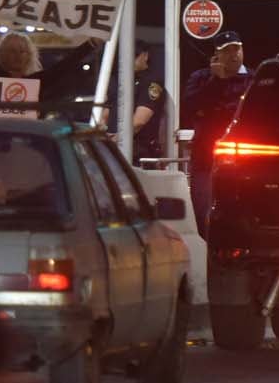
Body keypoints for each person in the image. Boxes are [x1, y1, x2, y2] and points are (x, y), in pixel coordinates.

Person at [183, 30, 252, 238]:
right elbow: (192, 106)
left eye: (237, 49)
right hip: (206, 156)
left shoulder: (253, 79)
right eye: (227, 51)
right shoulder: (202, 78)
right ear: (217, 55)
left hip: (243, 159)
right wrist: (217, 81)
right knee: (202, 210)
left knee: (240, 212)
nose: (234, 55)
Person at [0, 0, 100, 103]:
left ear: (29, 55)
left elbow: (65, 65)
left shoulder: (38, 82)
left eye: (22, 51)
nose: (18, 55)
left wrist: (92, 43)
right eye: (12, 51)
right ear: (2, 54)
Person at [104, 40, 168, 165]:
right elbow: (105, 113)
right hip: (113, 147)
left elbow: (139, 121)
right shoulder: (117, 80)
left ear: (145, 55)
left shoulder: (151, 82)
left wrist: (118, 139)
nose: (129, 61)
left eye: (134, 57)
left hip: (139, 150)